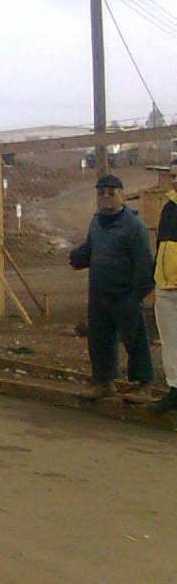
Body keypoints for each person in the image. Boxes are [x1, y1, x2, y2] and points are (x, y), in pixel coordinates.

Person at [68, 173, 155, 404]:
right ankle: (104, 382)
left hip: (125, 295)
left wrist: (137, 295)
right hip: (99, 295)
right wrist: (76, 258)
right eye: (101, 193)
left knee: (134, 340)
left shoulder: (133, 227)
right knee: (99, 340)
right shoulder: (96, 222)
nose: (106, 197)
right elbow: (90, 248)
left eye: (111, 193)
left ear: (122, 195)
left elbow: (144, 263)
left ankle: (143, 385)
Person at [150, 162, 177, 415]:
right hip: (166, 286)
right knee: (170, 343)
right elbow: (162, 244)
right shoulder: (168, 207)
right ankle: (175, 390)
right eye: (173, 176)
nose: (175, 180)